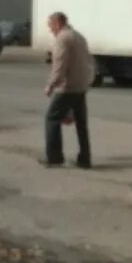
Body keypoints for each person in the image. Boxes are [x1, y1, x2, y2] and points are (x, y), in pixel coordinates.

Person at [41, 11, 93, 169]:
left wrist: (51, 85)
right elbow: (89, 61)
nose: (50, 30)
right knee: (81, 123)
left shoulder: (62, 39)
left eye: (50, 26)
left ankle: (55, 158)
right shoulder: (78, 36)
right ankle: (85, 158)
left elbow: (60, 66)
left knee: (51, 118)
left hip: (67, 87)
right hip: (80, 86)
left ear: (58, 23)